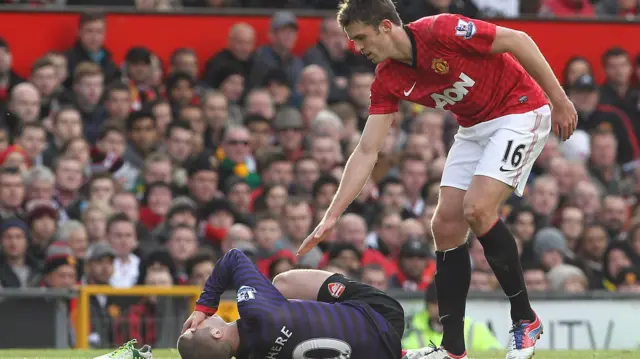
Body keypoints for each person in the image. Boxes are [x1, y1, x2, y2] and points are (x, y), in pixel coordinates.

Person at [297, 1, 578, 359]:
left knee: (477, 209)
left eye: (361, 37)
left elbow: (518, 40)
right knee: (445, 226)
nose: (358, 47)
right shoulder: (387, 78)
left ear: (386, 26)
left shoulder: (440, 30)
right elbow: (367, 149)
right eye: (353, 40)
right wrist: (331, 216)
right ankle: (452, 348)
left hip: (519, 108)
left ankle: (525, 320)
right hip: (474, 127)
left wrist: (559, 99)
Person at [178, 248, 413, 359]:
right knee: (282, 283)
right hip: (384, 317)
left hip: (380, 356)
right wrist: (204, 306)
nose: (194, 323)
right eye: (194, 328)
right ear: (217, 333)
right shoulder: (257, 311)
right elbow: (233, 258)